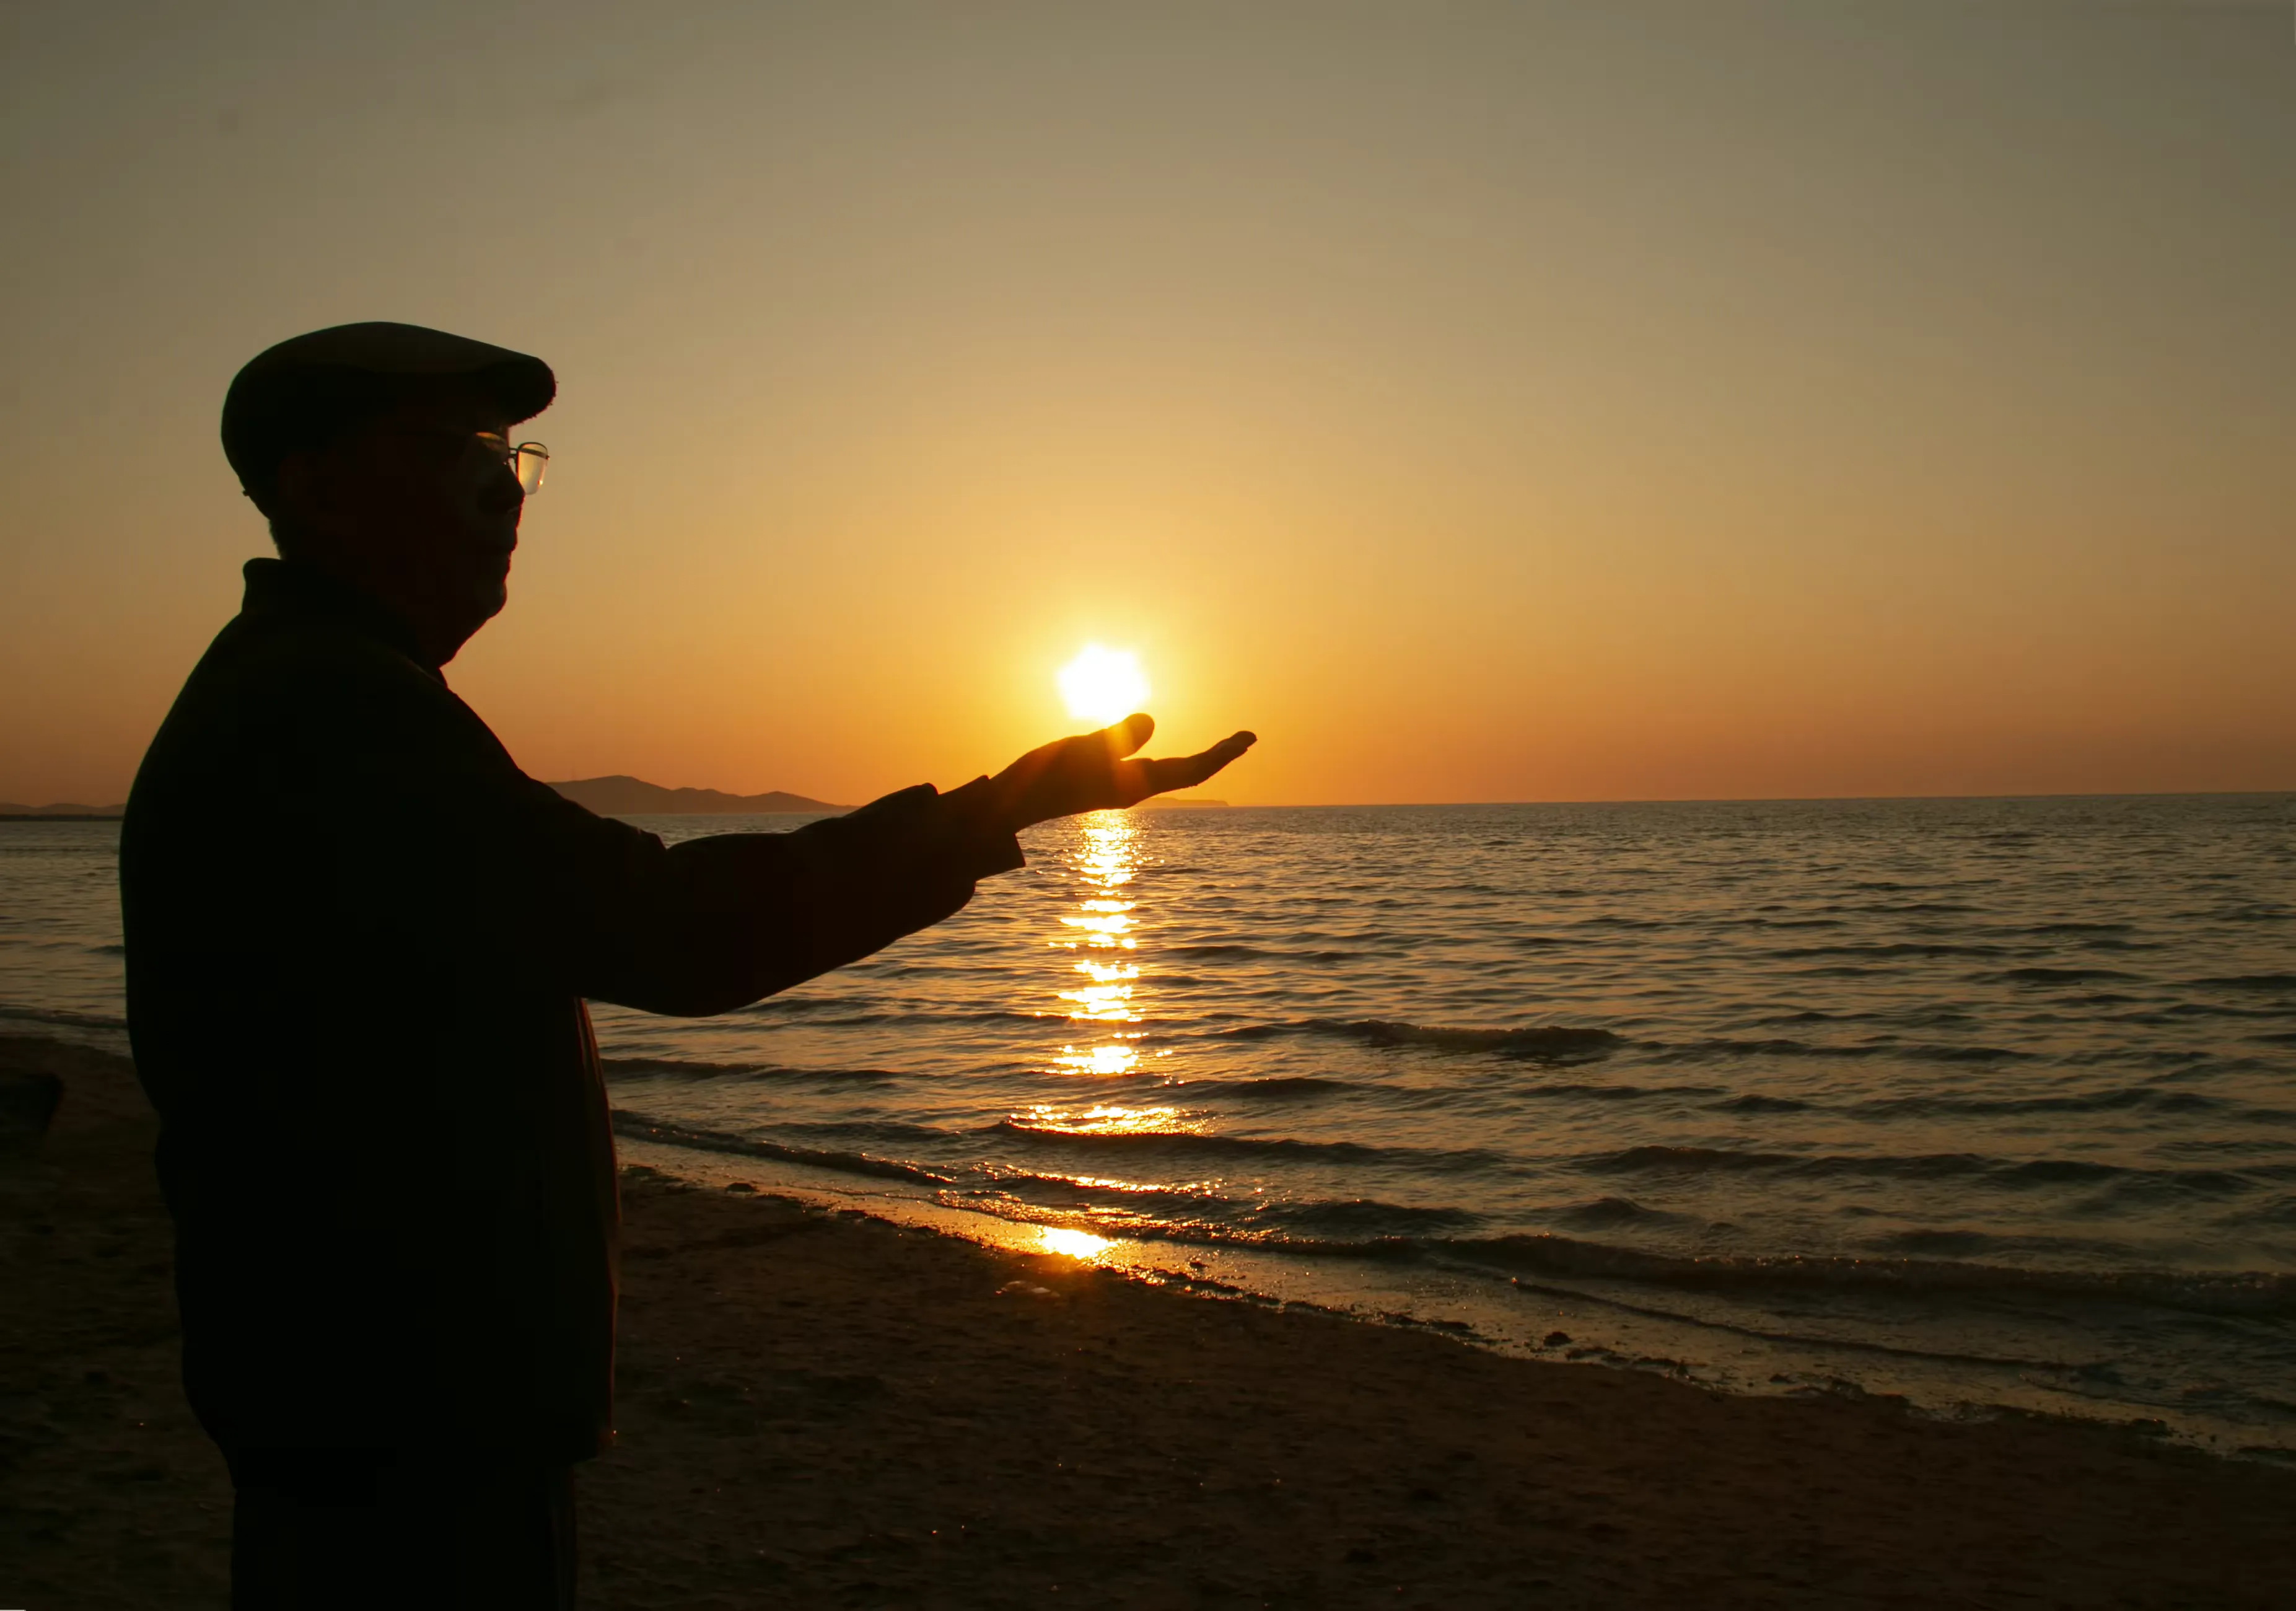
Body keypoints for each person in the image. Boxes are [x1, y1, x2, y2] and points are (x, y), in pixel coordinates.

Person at [118, 322, 1255, 1609]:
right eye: (450, 450)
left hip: (368, 1376)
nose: (503, 488)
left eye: (510, 455)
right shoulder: (331, 713)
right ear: (311, 483)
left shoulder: (323, 691)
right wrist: (990, 808)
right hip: (400, 1392)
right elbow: (670, 923)